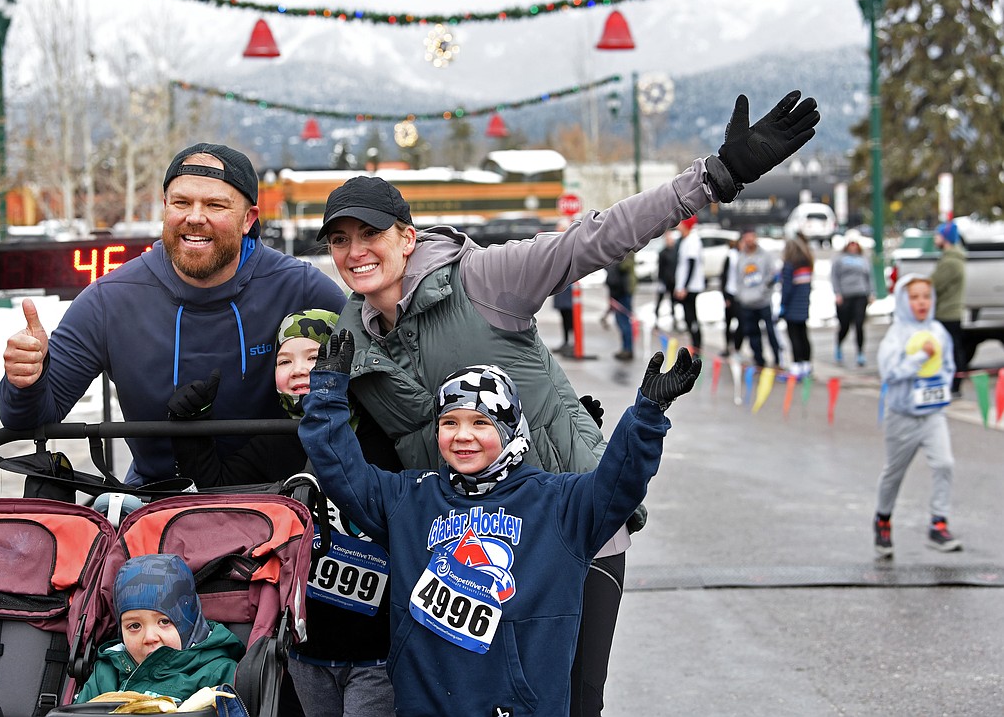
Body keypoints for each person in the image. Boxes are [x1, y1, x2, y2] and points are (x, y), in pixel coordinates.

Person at [315, 88, 818, 717]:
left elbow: (596, 239)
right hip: (460, 549)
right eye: (339, 239)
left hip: (569, 519)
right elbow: (343, 431)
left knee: (570, 702)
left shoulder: (485, 278)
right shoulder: (350, 335)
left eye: (372, 233)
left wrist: (718, 175)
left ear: (408, 236)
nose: (356, 250)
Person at [298, 332, 701, 717]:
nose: (463, 437)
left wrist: (647, 414)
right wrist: (327, 395)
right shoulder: (409, 497)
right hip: (423, 703)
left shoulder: (558, 502)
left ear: (508, 429)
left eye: (481, 423)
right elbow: (342, 472)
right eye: (450, 423)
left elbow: (620, 481)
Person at [0, 143, 347, 485]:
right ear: (165, 207)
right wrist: (26, 379)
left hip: (283, 503)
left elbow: (370, 394)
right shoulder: (109, 300)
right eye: (182, 202)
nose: (195, 217)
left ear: (248, 219)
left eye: (215, 204)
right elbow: (30, 417)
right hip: (157, 503)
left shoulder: (302, 288)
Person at [167, 309, 402, 717]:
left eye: (314, 357)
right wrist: (190, 426)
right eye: (284, 360)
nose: (299, 370)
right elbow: (221, 493)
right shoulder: (272, 440)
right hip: (303, 648)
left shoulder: (384, 437)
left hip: (377, 647)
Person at [76, 554, 246, 703]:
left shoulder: (218, 673)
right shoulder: (106, 673)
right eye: (134, 626)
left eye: (164, 622)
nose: (150, 637)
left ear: (187, 624)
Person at [874, 275, 962, 557]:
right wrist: (919, 359)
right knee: (894, 473)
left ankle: (938, 523)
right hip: (902, 416)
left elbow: (949, 366)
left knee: (945, 464)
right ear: (903, 301)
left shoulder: (938, 331)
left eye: (926, 296)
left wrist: (941, 386)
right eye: (914, 297)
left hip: (933, 414)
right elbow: (889, 373)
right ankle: (883, 520)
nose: (921, 302)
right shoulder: (896, 335)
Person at [733, 227, 782, 367]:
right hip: (747, 303)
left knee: (771, 332)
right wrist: (741, 295)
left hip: (763, 302)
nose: (749, 240)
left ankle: (777, 359)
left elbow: (772, 276)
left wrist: (764, 291)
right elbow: (738, 279)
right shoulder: (741, 257)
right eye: (746, 238)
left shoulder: (765, 256)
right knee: (752, 334)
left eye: (751, 237)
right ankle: (759, 360)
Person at [931, 220, 967, 396]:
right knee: (952, 349)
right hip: (948, 311)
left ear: (945, 238)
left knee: (951, 350)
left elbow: (933, 284)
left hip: (947, 312)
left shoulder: (950, 262)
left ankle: (954, 384)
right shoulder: (950, 258)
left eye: (938, 235)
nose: (934, 238)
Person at [830, 229, 874, 366]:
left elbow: (869, 277)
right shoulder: (840, 259)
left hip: (861, 295)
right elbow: (834, 277)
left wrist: (871, 292)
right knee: (845, 326)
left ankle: (860, 353)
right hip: (845, 295)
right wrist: (837, 293)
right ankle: (838, 346)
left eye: (855, 243)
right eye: (851, 243)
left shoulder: (864, 259)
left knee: (860, 325)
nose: (853, 246)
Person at [779, 230, 815, 377]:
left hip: (793, 307)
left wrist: (783, 305)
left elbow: (787, 288)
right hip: (804, 304)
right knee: (803, 334)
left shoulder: (789, 265)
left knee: (794, 337)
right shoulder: (806, 263)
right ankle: (806, 364)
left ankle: (796, 366)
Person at [673, 215, 704, 355]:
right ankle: (695, 345)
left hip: (691, 287)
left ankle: (697, 347)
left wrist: (684, 287)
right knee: (688, 317)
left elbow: (691, 265)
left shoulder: (692, 240)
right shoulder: (685, 240)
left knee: (691, 318)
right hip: (685, 286)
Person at [604, 253, 636, 361]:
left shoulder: (626, 251)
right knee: (621, 321)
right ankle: (625, 348)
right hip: (617, 290)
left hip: (623, 290)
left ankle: (628, 349)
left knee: (624, 321)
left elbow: (625, 267)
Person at [720, 237, 741, 357]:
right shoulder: (731, 256)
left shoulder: (745, 256)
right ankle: (728, 346)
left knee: (741, 323)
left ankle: (737, 347)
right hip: (730, 292)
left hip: (742, 295)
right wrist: (725, 296)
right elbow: (723, 277)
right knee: (728, 322)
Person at [655, 229, 681, 327]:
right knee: (659, 300)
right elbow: (660, 268)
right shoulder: (662, 253)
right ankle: (656, 320)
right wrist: (660, 280)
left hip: (672, 281)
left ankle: (674, 321)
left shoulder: (675, 252)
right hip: (664, 280)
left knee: (673, 302)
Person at [552, 284, 577, 354]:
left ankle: (572, 343)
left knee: (570, 321)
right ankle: (567, 342)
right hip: (563, 295)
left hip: (567, 295)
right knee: (566, 321)